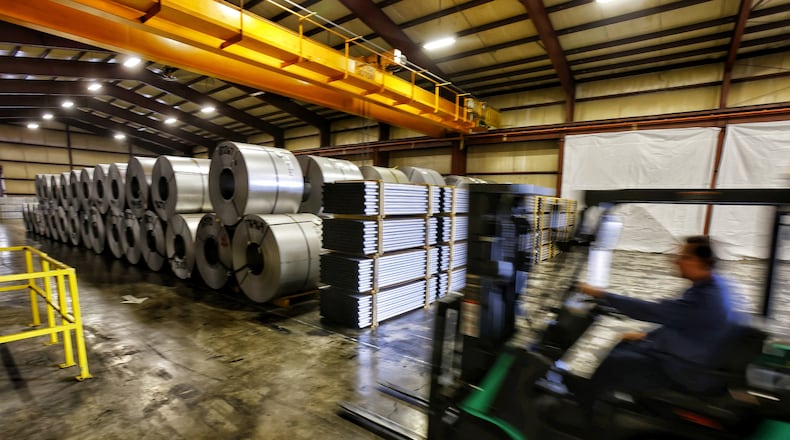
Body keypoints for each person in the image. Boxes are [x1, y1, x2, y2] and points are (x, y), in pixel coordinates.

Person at [573, 235, 741, 412]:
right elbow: (681, 321)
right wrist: (648, 336)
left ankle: (583, 411)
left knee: (614, 362)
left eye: (685, 257)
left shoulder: (705, 299)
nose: (676, 261)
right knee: (624, 344)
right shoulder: (712, 286)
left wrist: (602, 294)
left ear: (703, 261)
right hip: (692, 355)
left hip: (686, 370)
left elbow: (653, 311)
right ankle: (606, 400)